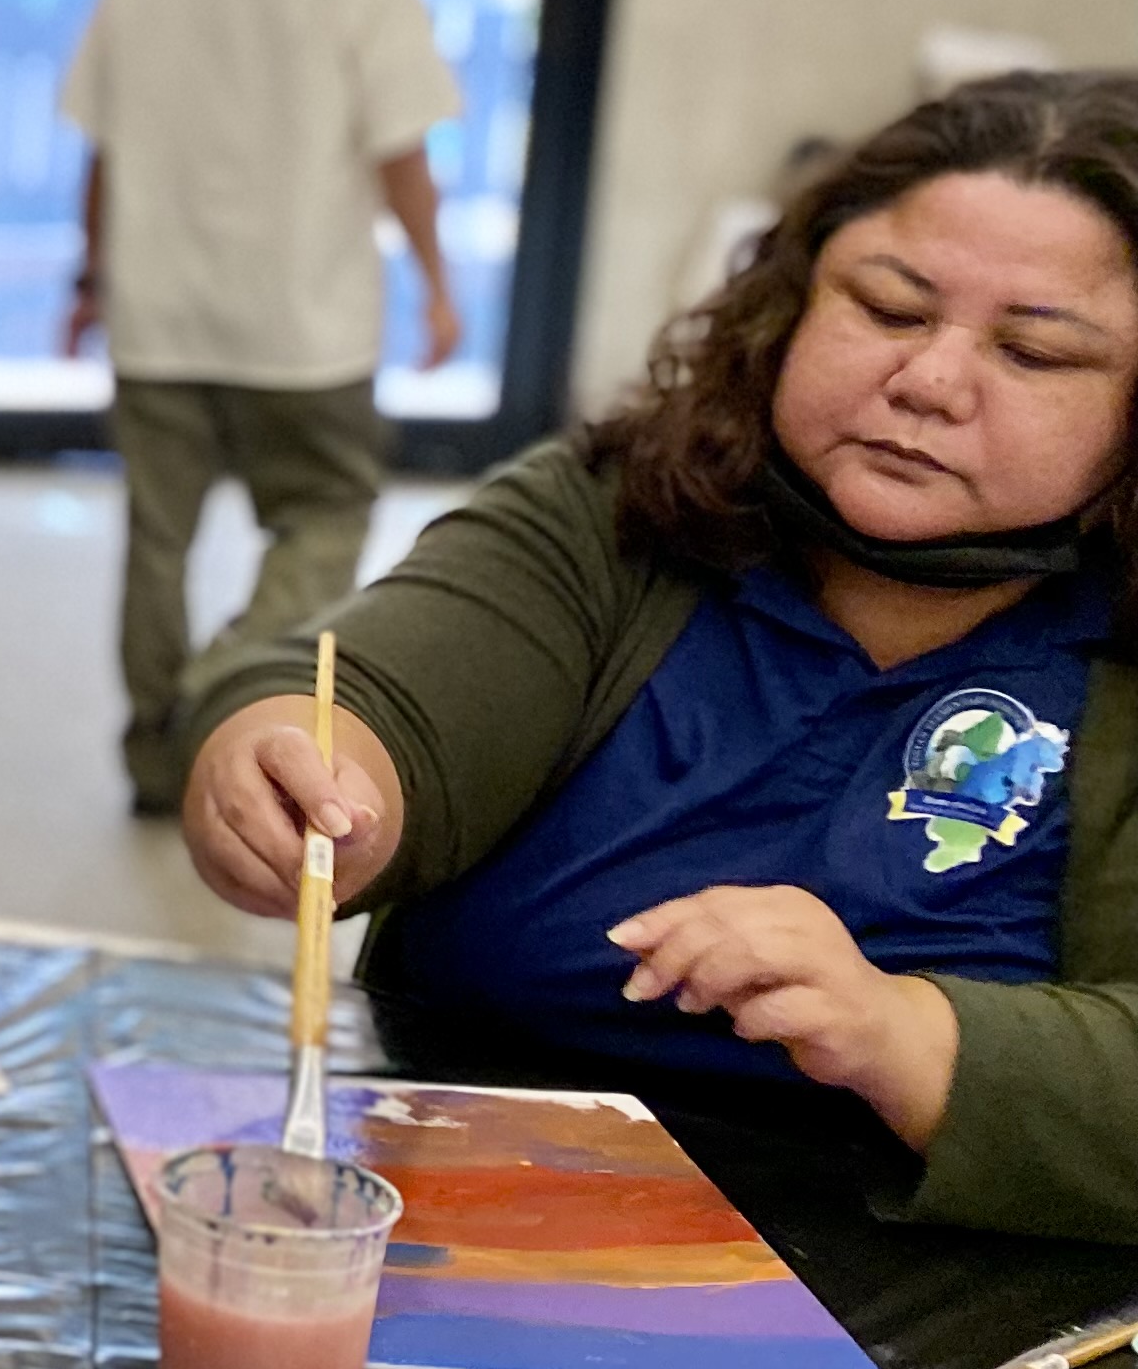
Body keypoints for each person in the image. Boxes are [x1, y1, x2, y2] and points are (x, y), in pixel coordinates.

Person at [180, 71, 1138, 1244]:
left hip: (936, 1319)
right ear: (788, 306)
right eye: (888, 308)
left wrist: (898, 1033)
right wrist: (297, 774)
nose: (928, 382)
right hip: (467, 1219)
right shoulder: (616, 510)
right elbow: (365, 695)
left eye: (1034, 354)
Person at [61, 0, 463, 811]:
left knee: (157, 541)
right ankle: (221, 690)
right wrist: (435, 278)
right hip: (305, 324)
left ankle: (157, 751)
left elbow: (100, 155)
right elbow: (401, 151)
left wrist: (91, 279)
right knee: (326, 514)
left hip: (160, 314)